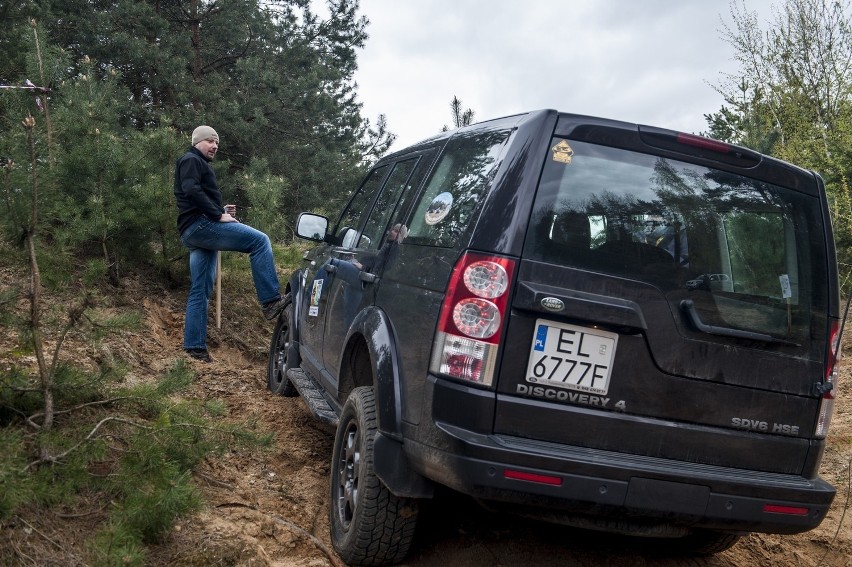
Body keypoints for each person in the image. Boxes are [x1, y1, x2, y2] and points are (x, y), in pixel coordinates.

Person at [174, 125, 287, 362]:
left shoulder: (197, 163)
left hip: (196, 230)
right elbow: (190, 190)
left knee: (200, 290)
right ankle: (270, 301)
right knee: (259, 241)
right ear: (197, 142)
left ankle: (194, 349)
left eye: (217, 143)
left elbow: (193, 197)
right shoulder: (191, 160)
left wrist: (220, 210)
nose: (215, 146)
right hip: (201, 226)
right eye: (210, 141)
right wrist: (217, 214)